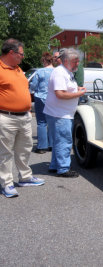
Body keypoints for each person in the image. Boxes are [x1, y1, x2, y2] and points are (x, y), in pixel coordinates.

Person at [0, 38, 45, 198]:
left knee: (24, 149)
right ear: (11, 53)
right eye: (21, 53)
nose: (23, 56)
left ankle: (25, 177)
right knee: (5, 153)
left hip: (24, 117)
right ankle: (6, 184)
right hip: (6, 117)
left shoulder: (18, 69)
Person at [44, 48, 86, 178]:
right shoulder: (60, 72)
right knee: (64, 141)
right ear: (66, 61)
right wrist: (78, 93)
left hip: (59, 113)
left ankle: (55, 165)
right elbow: (60, 94)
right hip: (60, 114)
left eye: (78, 61)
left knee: (59, 141)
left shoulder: (65, 71)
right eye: (75, 61)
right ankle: (63, 169)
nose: (77, 64)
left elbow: (64, 89)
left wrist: (76, 88)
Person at [29, 52, 54, 154]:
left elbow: (33, 86)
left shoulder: (40, 72)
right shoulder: (57, 72)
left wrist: (30, 90)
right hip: (53, 98)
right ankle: (52, 144)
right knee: (52, 121)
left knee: (41, 122)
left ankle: (42, 146)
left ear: (44, 60)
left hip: (41, 97)